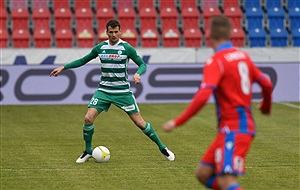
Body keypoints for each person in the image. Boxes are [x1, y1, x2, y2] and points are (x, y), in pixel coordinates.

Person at [163, 15, 272, 190]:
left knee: (226, 182)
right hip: (232, 128)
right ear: (230, 35)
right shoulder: (243, 56)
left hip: (234, 129)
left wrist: (177, 121)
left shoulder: (216, 61)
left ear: (209, 37)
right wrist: (266, 106)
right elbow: (266, 83)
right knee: (203, 173)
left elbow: (203, 95)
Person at [50, 19, 175, 163]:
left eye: (116, 32)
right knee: (88, 118)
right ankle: (88, 151)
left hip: (122, 92)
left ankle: (162, 147)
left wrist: (138, 73)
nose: (114, 35)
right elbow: (83, 60)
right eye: (111, 32)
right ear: (106, 32)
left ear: (120, 32)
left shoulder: (127, 48)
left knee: (140, 122)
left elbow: (142, 64)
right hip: (104, 90)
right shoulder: (100, 48)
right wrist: (63, 67)